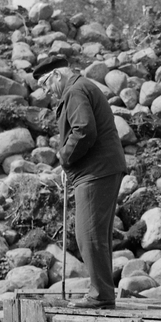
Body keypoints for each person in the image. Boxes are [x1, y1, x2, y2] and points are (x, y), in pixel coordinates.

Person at [34, 52, 127, 308]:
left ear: (56, 75)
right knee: (97, 235)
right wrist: (70, 165)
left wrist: (64, 157)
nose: (46, 92)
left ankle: (100, 295)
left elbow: (83, 129)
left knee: (88, 235)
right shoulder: (80, 87)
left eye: (45, 84)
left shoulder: (74, 91)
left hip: (96, 171)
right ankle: (103, 294)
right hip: (100, 168)